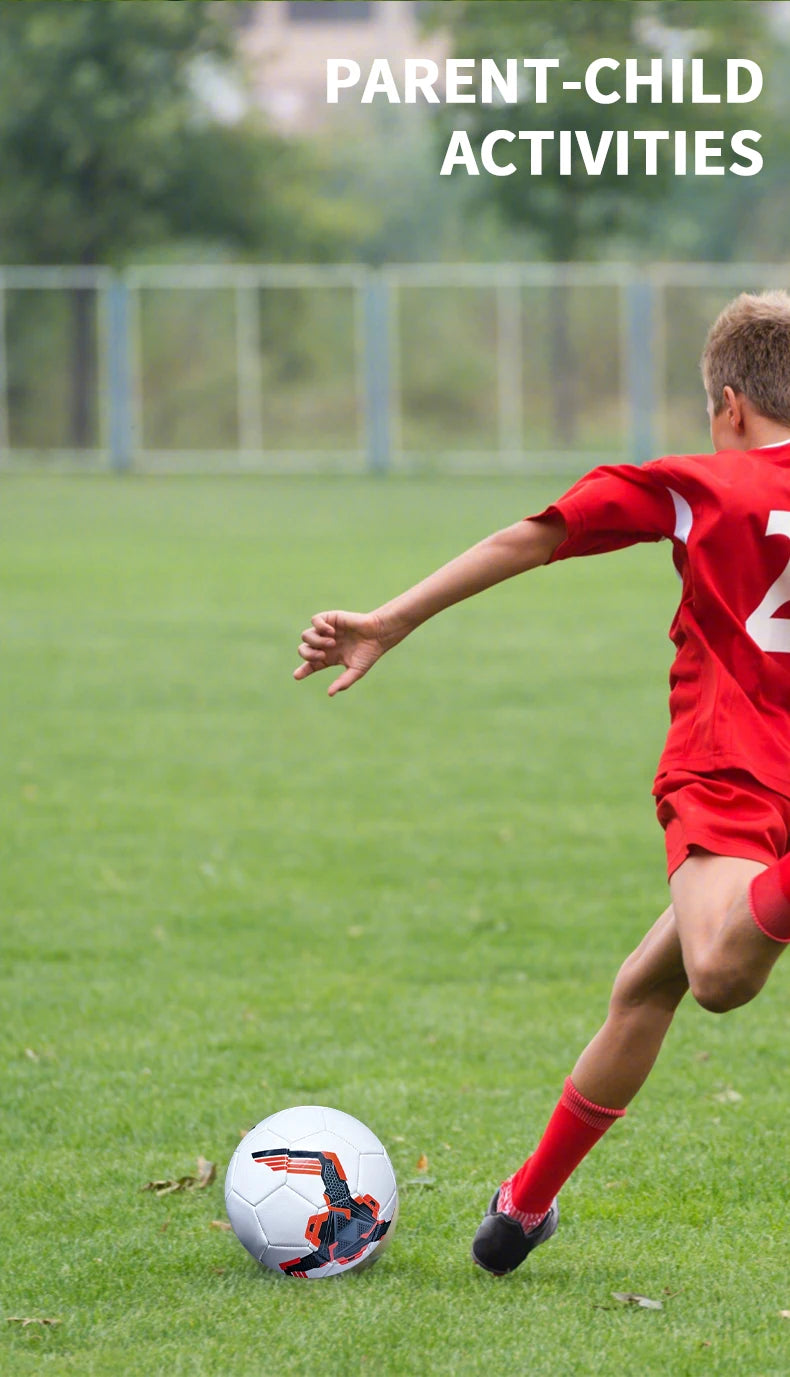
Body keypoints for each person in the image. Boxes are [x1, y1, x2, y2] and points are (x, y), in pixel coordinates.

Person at [293, 291, 790, 1276]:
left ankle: (525, 1202)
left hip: (730, 763)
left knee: (716, 973)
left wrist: (389, 619)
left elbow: (538, 532)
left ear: (727, 404)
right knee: (641, 988)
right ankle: (523, 1205)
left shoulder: (702, 482)